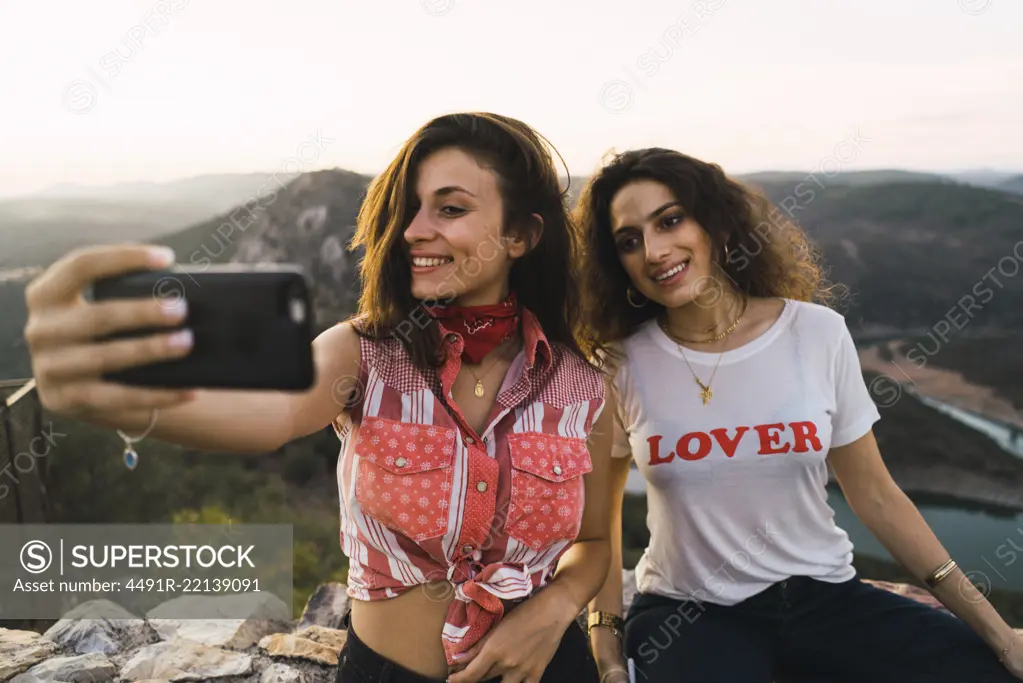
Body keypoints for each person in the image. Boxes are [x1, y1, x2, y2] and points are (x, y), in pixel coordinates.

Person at [22, 112, 614, 683]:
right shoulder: (363, 352)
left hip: (546, 669)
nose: (413, 230)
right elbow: (270, 414)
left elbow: (590, 544)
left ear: (521, 235)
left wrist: (554, 606)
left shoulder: (583, 385)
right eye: (408, 211)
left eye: (450, 208)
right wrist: (124, 392)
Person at [572, 147, 1023, 683]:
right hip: (690, 614)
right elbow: (597, 525)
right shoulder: (619, 364)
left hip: (824, 599)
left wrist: (999, 634)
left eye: (671, 221)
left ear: (713, 223)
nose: (654, 250)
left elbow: (877, 497)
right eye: (629, 240)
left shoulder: (816, 333)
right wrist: (607, 655)